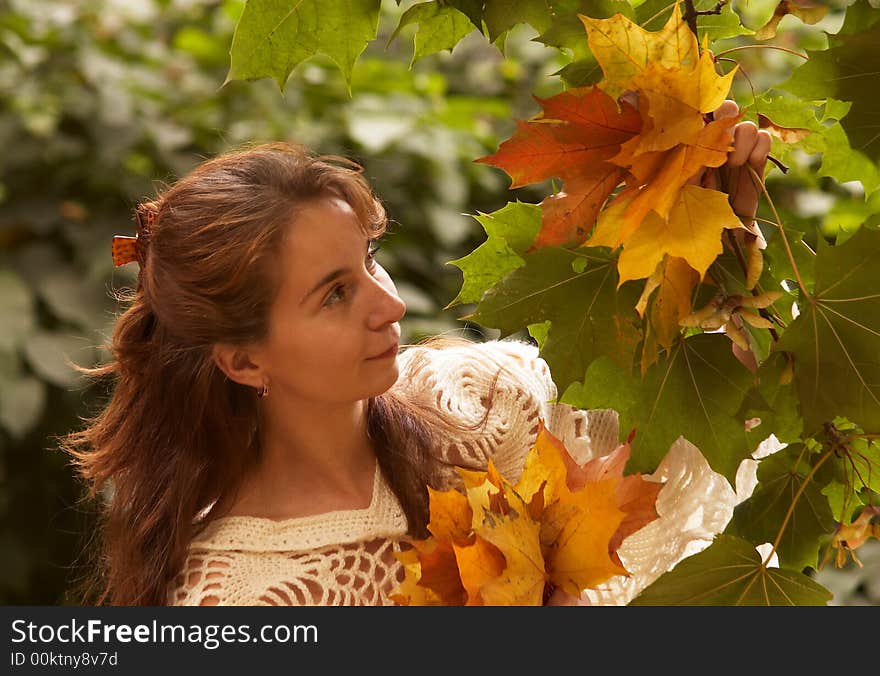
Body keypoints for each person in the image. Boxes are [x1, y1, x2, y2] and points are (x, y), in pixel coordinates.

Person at [60, 100, 772, 606]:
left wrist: (708, 248)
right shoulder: (240, 598)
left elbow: (693, 448)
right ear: (245, 362)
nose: (390, 303)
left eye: (370, 260)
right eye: (335, 294)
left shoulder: (479, 405)